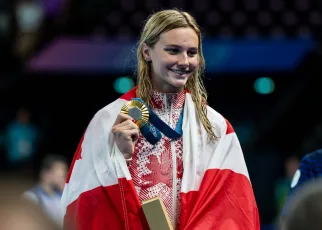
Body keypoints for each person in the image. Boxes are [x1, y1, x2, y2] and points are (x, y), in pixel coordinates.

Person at [61, 9, 259, 230]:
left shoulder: (215, 127)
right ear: (147, 51)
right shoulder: (108, 120)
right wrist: (120, 158)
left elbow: (233, 209)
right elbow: (85, 206)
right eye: (173, 50)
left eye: (192, 52)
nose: (184, 61)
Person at [22, 154, 68, 227]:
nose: (63, 180)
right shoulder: (31, 196)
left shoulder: (61, 196)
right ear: (46, 174)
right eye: (60, 176)